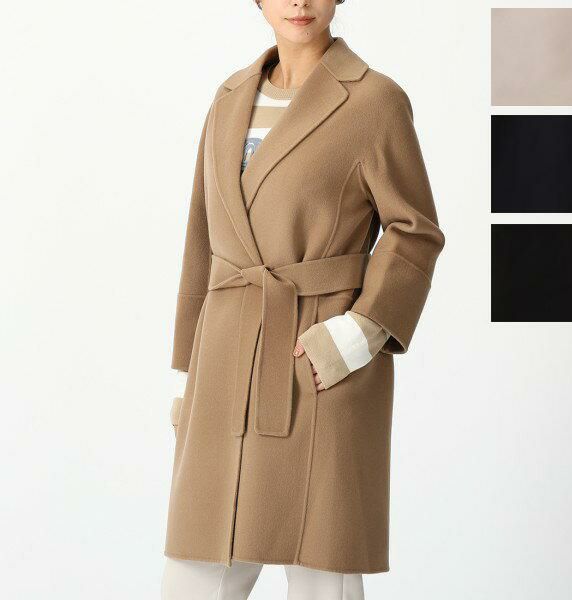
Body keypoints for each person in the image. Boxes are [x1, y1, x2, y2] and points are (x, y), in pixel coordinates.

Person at [162, 1, 445, 598]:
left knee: (322, 575)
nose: (299, 2)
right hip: (225, 364)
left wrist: (358, 334)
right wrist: (189, 373)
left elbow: (415, 230)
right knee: (194, 575)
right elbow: (202, 238)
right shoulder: (228, 98)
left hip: (317, 360)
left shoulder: (374, 100)